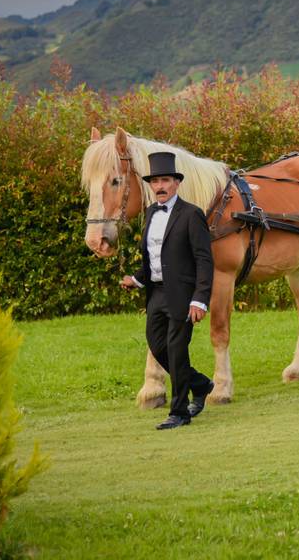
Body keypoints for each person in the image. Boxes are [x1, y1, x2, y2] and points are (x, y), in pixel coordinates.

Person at [121, 151, 215, 430]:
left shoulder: (192, 215)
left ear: (176, 183)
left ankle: (180, 412)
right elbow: (153, 256)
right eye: (155, 181)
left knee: (176, 350)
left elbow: (204, 260)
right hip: (157, 293)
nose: (160, 186)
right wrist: (137, 279)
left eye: (165, 180)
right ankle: (200, 384)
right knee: (157, 344)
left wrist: (200, 299)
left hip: (184, 295)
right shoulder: (150, 212)